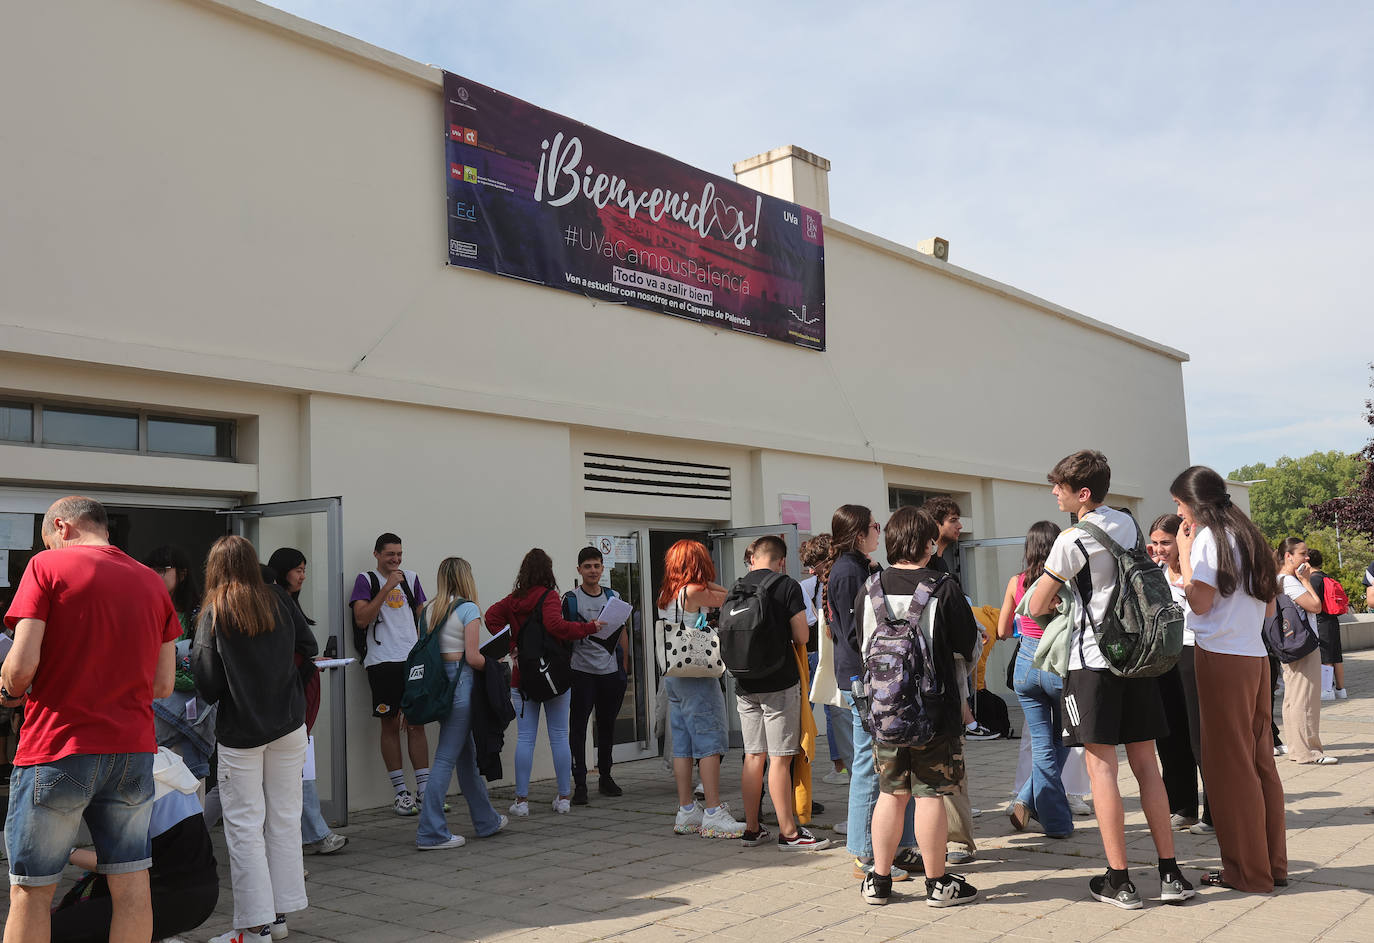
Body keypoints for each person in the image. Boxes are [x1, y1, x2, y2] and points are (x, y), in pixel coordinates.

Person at [2, 496, 180, 943]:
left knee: (32, 889)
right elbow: (163, 685)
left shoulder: (46, 567)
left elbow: (20, 667)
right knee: (132, 882)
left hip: (59, 747)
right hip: (133, 751)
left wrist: (8, 692)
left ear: (61, 527)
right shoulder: (152, 582)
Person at [1026, 451, 1193, 909]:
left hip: (1092, 663)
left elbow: (1038, 604)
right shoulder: (1128, 523)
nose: (1054, 493)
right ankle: (1170, 873)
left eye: (1059, 486)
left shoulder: (1070, 540)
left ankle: (1119, 878)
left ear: (1082, 493)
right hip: (1137, 658)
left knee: (1102, 771)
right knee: (1146, 766)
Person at [193, 535, 317, 943]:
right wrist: (285, 682)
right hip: (288, 724)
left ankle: (255, 925)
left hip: (242, 729)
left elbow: (207, 683)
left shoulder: (216, 609)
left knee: (245, 825)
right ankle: (277, 918)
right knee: (282, 819)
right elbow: (308, 646)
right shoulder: (279, 598)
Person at [1171, 465, 1286, 893]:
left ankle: (1247, 873)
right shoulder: (1250, 536)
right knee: (1259, 765)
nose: (1179, 515)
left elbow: (1200, 604)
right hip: (1254, 656)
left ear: (1196, 505)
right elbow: (1271, 609)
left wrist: (1183, 555)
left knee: (1229, 769)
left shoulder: (1207, 539)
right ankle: (1271, 866)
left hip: (1220, 656)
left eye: (1180, 504)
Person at [858, 506, 979, 907]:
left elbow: (860, 645)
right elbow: (967, 643)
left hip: (885, 710)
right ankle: (937, 883)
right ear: (928, 543)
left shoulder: (870, 587)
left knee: (891, 794)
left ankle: (878, 881)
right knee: (930, 795)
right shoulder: (943, 586)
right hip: (934, 712)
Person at [828, 505, 920, 882]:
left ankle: (895, 845)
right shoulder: (849, 571)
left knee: (889, 762)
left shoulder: (858, 567)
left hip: (864, 674)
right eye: (874, 527)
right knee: (868, 764)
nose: (878, 533)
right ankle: (865, 853)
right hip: (862, 677)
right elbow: (856, 632)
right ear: (857, 533)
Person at [51, 748, 219, 943]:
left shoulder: (123, 776)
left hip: (167, 899)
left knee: (50, 930)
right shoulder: (164, 761)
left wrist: (64, 852)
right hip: (205, 895)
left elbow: (118, 866)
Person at [484, 548, 602, 816]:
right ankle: (563, 798)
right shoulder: (550, 597)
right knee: (559, 736)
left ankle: (522, 802)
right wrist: (589, 628)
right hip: (555, 675)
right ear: (548, 571)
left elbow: (491, 617)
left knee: (525, 739)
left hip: (523, 677)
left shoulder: (513, 600)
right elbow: (558, 627)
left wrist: (513, 645)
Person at [731, 535, 830, 851]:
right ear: (782, 560)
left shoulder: (736, 587)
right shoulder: (787, 586)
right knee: (779, 759)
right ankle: (789, 833)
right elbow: (802, 634)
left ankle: (751, 828)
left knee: (753, 756)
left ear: (754, 558)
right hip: (779, 681)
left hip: (744, 683)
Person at [655, 539, 746, 839]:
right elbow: (730, 596)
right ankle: (713, 811)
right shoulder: (694, 591)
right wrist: (708, 581)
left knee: (682, 744)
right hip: (697, 675)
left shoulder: (669, 593)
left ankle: (686, 810)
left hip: (674, 675)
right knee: (709, 740)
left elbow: (720, 594)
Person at [415, 556, 508, 848]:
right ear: (466, 578)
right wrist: (497, 664)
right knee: (445, 758)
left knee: (465, 756)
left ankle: (486, 820)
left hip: (438, 684)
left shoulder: (427, 610)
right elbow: (473, 657)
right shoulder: (468, 609)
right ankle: (431, 831)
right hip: (461, 683)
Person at [267, 547, 347, 856]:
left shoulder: (288, 604)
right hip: (292, 695)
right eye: (298, 569)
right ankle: (315, 833)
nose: (303, 575)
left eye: (305, 569)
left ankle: (309, 832)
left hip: (301, 690)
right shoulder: (277, 603)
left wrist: (314, 660)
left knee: (297, 763)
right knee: (296, 764)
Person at [997, 520, 1073, 840]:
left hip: (1025, 667)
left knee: (1043, 745)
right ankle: (1041, 809)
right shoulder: (1064, 582)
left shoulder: (1018, 581)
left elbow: (1002, 631)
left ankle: (1035, 806)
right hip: (1057, 666)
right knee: (1066, 740)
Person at [350, 533, 432, 817]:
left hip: (412, 661)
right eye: (390, 554)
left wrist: (426, 650)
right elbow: (362, 619)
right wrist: (386, 588)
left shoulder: (411, 577)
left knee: (416, 723)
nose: (396, 559)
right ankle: (401, 794)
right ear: (377, 554)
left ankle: (425, 791)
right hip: (382, 662)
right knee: (388, 724)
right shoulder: (366, 580)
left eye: (399, 553)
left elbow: (422, 618)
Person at [1148, 515, 1209, 833]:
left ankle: (1213, 811)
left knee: (1199, 735)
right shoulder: (1154, 571)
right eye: (1155, 543)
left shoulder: (1194, 567)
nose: (1160, 549)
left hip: (1193, 653)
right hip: (1163, 657)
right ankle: (1182, 806)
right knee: (1169, 736)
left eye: (1166, 542)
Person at [563, 546, 631, 805]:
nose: (593, 570)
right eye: (588, 566)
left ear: (603, 568)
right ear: (579, 569)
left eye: (597, 566)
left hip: (609, 672)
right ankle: (580, 782)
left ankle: (606, 776)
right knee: (578, 728)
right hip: (581, 672)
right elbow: (563, 634)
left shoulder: (614, 596)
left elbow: (621, 631)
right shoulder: (570, 599)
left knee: (607, 726)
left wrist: (623, 665)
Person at [1274, 538, 1336, 765]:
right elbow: (1316, 606)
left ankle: (1297, 749)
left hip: (1291, 646)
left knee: (1293, 699)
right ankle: (1308, 751)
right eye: (1302, 553)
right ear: (1288, 556)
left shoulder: (1278, 580)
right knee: (1305, 700)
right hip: (1303, 646)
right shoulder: (1289, 582)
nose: (1307, 558)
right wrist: (1306, 581)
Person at [800, 534, 853, 787]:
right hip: (830, 661)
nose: (811, 571)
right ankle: (842, 768)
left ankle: (842, 770)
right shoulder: (824, 583)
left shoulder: (834, 582)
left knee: (835, 718)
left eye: (814, 565)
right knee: (835, 716)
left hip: (831, 661)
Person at [1304, 549, 1348, 699]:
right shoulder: (1325, 577)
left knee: (1326, 657)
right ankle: (1341, 690)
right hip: (1332, 620)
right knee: (1336, 656)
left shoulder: (1313, 580)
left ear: (1308, 562)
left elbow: (1312, 602)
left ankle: (1327, 690)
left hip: (1321, 621)